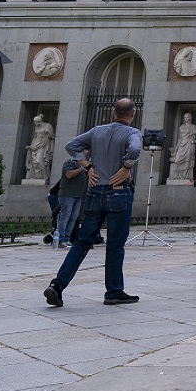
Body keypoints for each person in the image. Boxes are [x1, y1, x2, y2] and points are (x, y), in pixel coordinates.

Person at [43, 98, 142, 307]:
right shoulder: (133, 133)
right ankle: (114, 291)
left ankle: (57, 285)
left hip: (95, 191)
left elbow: (71, 145)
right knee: (115, 245)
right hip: (117, 192)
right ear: (133, 114)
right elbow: (134, 150)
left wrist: (88, 167)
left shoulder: (97, 131)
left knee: (82, 242)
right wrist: (126, 167)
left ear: (114, 112)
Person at [54, 149, 91, 249]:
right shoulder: (70, 162)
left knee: (73, 217)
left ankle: (66, 238)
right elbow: (69, 175)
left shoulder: (83, 165)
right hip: (67, 194)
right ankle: (60, 239)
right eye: (84, 150)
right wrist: (81, 169)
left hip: (78, 195)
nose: (86, 153)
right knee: (65, 217)